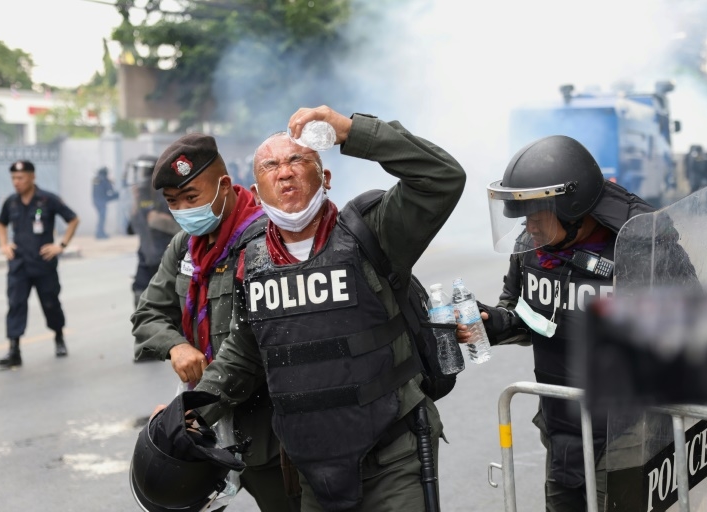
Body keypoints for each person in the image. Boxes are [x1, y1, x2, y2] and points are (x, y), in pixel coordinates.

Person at [146, 105, 466, 512]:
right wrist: (190, 412)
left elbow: (442, 177)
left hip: (391, 453)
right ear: (258, 192)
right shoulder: (253, 261)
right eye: (270, 166)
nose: (284, 172)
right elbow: (242, 354)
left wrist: (351, 131)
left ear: (325, 176)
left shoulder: (375, 231)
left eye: (297, 159)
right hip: (312, 467)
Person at [458, 135, 697, 511]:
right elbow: (524, 311)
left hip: (630, 428)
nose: (529, 227)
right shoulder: (535, 248)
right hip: (561, 421)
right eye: (525, 217)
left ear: (572, 209)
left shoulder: (641, 246)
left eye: (538, 215)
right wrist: (495, 321)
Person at [130, 135, 298, 512]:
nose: (183, 210)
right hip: (214, 429)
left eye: (191, 198)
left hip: (271, 433)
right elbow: (148, 313)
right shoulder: (187, 246)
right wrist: (176, 345)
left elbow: (251, 348)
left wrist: (190, 411)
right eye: (173, 202)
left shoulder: (266, 240)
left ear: (224, 186)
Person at [0, 160, 80, 368]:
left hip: (44, 263)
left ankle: (59, 337)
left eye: (21, 177)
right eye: (13, 178)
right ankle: (14, 350)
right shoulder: (11, 202)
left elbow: (73, 219)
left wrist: (61, 245)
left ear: (32, 177)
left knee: (50, 303)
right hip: (19, 264)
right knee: (15, 305)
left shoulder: (48, 199)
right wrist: (4, 245)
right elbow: (1, 223)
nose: (16, 182)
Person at [126, 155, 181, 306]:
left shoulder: (167, 194)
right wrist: (135, 206)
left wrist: (160, 221)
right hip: (146, 256)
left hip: (167, 256)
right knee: (140, 298)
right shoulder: (140, 195)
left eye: (144, 172)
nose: (140, 177)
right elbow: (131, 229)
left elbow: (181, 227)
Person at [92, 166, 119, 239]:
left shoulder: (96, 179)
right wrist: (110, 182)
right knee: (102, 218)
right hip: (101, 201)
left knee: (101, 217)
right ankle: (100, 233)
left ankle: (100, 232)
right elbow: (110, 190)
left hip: (97, 201)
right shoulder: (103, 180)